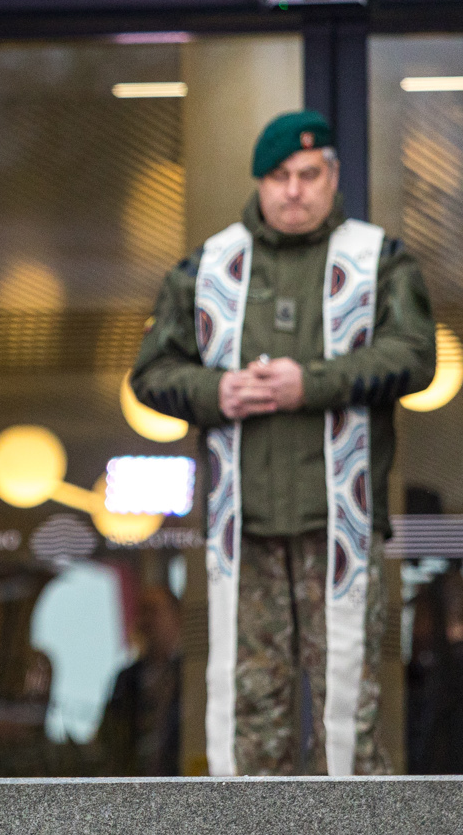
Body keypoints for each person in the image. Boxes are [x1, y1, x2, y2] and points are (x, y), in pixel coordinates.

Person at [132, 109, 435, 776]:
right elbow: (151, 374)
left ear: (332, 177)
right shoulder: (207, 266)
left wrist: (313, 383)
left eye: (308, 174)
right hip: (246, 537)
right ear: (259, 183)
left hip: (342, 535)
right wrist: (218, 392)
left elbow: (416, 357)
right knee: (251, 731)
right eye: (279, 176)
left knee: (348, 723)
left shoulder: (379, 259)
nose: (293, 189)